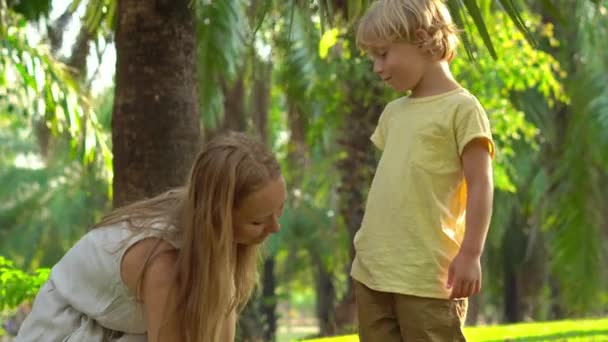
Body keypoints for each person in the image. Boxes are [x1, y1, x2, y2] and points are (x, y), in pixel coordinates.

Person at [15, 131, 286, 342]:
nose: (274, 227)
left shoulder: (211, 240)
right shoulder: (164, 262)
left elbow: (220, 323)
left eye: (279, 211)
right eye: (258, 220)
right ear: (219, 217)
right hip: (65, 332)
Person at [350, 0, 495, 341]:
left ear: (420, 39)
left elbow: (481, 183)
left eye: (383, 54)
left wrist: (471, 252)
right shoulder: (393, 113)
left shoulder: (463, 109)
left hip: (428, 276)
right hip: (373, 270)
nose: (377, 67)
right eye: (372, 58)